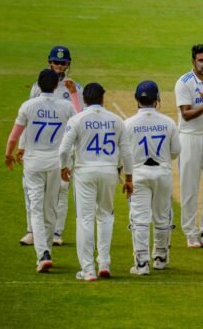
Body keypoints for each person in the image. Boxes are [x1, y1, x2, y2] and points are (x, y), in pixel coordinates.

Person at [59, 83, 133, 281]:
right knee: (105, 217)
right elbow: (126, 152)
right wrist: (129, 178)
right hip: (109, 171)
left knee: (84, 219)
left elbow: (63, 150)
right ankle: (104, 263)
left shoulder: (77, 119)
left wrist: (63, 166)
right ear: (103, 98)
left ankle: (88, 269)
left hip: (85, 171)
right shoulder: (116, 120)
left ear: (84, 99)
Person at [5, 69, 76, 273]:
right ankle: (46, 250)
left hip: (33, 163)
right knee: (50, 207)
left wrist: (9, 154)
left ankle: (43, 254)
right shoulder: (66, 106)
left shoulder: (28, 106)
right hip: (55, 163)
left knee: (36, 208)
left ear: (38, 84)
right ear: (56, 86)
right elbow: (79, 123)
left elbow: (13, 137)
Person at [18, 45, 83, 247]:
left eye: (63, 63)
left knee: (61, 190)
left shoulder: (75, 88)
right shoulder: (38, 87)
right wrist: (22, 145)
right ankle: (32, 231)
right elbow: (27, 118)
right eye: (56, 62)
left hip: (63, 149)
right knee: (33, 191)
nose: (59, 66)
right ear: (49, 62)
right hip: (37, 146)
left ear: (68, 65)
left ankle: (56, 232)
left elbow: (81, 118)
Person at [125, 80, 181, 275]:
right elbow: (176, 151)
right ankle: (160, 257)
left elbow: (123, 154)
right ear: (157, 99)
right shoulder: (168, 122)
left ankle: (141, 264)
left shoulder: (128, 124)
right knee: (162, 216)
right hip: (162, 173)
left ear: (136, 99)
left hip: (138, 173)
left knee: (139, 219)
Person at [174, 44, 203, 249]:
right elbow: (186, 114)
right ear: (193, 61)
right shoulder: (184, 83)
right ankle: (191, 233)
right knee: (189, 188)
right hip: (189, 138)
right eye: (201, 60)